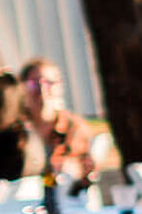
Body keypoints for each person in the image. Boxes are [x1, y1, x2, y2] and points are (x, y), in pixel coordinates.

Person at [19, 57, 97, 193]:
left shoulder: (73, 126)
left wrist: (75, 169)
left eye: (49, 83)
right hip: (23, 200)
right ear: (22, 88)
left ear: (60, 86)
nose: (42, 91)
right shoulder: (15, 129)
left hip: (64, 197)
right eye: (34, 84)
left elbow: (89, 171)